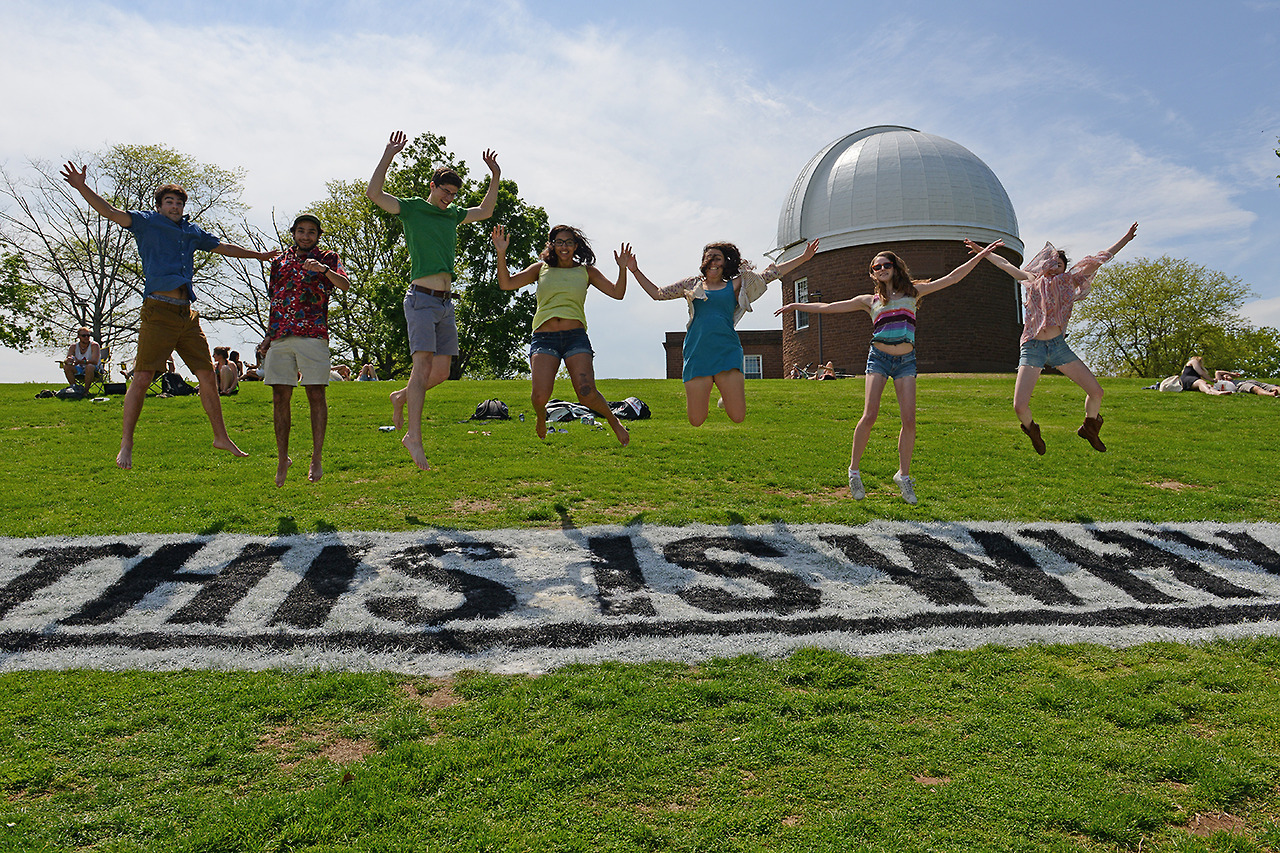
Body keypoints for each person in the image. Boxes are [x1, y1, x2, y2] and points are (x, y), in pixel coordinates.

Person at [60, 162, 277, 469]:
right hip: (158, 311)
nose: (175, 206)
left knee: (206, 375)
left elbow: (223, 246)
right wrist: (81, 186)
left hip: (187, 314)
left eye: (179, 202)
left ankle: (221, 436)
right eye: (170, 202)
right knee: (143, 376)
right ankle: (127, 442)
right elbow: (109, 212)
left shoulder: (191, 231)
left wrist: (259, 256)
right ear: (159, 206)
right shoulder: (146, 222)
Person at [777, 240, 1005, 504]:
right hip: (879, 359)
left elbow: (953, 278)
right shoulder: (870, 300)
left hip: (906, 360)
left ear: (896, 268)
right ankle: (854, 471)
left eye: (886, 264)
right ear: (873, 273)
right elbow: (829, 307)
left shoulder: (914, 293)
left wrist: (983, 255)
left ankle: (903, 476)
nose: (882, 268)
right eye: (877, 266)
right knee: (869, 415)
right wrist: (796, 307)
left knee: (909, 420)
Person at [367, 131, 500, 470]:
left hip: (445, 303)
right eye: (445, 192)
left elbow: (484, 211)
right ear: (432, 185)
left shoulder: (451, 215)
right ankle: (414, 437)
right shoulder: (412, 209)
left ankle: (401, 396)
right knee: (422, 365)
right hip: (421, 300)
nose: (449, 198)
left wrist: (495, 176)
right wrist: (388, 156)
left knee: (441, 371)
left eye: (454, 194)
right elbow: (374, 193)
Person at [966, 223, 1137, 456]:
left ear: (1065, 268)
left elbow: (1100, 259)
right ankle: (1032, 430)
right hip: (1033, 347)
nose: (1055, 265)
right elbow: (1005, 265)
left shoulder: (1070, 280)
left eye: (1060, 263)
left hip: (1058, 347)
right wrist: (982, 251)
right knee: (1019, 406)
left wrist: (1125, 239)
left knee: (1096, 392)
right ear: (1043, 264)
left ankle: (1090, 428)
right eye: (1052, 261)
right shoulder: (1031, 279)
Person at [627, 239, 819, 425]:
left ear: (725, 262)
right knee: (696, 420)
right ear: (703, 262)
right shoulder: (691, 284)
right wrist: (635, 270)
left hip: (727, 352)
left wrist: (804, 257)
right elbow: (658, 293)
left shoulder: (737, 285)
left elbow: (772, 273)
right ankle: (716, 387)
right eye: (708, 257)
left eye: (717, 257)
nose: (713, 262)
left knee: (738, 416)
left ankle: (724, 396)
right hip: (697, 354)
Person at [492, 224, 634, 445]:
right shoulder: (540, 269)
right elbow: (506, 283)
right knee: (540, 396)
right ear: (552, 245)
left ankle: (614, 421)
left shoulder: (586, 272)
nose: (564, 246)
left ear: (576, 246)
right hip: (544, 338)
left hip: (575, 337)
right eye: (559, 242)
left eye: (569, 242)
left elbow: (618, 293)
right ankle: (541, 417)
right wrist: (501, 253)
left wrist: (622, 268)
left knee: (586, 393)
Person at [260, 213, 351, 486]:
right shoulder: (279, 262)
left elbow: (345, 285)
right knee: (280, 397)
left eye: (311, 232)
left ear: (318, 236)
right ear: (293, 233)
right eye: (301, 231)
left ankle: (317, 457)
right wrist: (267, 335)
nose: (306, 236)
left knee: (316, 395)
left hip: (313, 335)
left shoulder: (329, 258)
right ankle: (282, 459)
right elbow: (275, 300)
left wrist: (323, 270)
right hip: (280, 337)